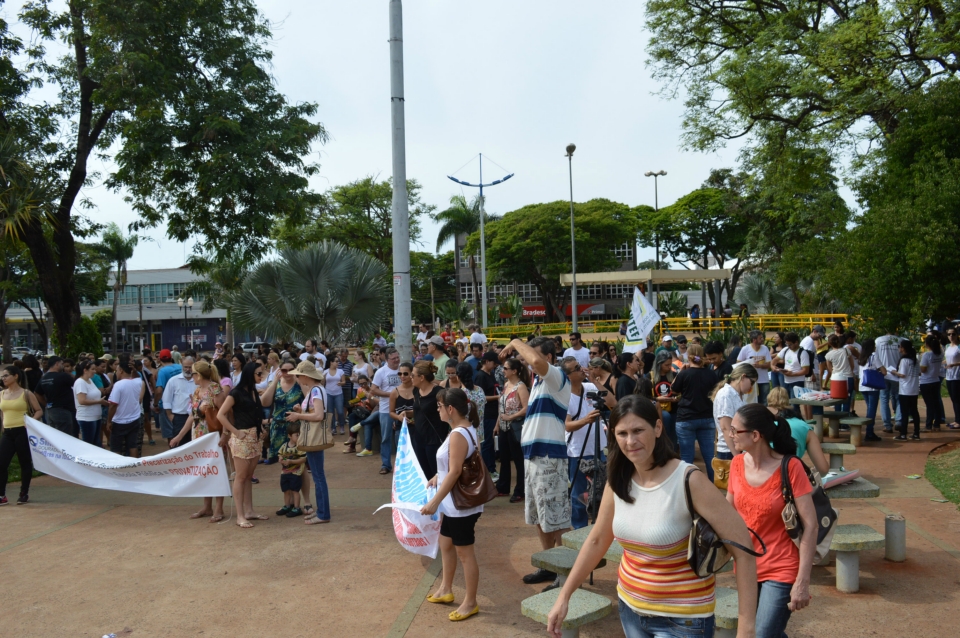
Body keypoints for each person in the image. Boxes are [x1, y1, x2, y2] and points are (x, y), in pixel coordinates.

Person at [547, 394, 759, 638]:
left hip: (683, 619)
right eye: (622, 433)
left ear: (658, 428)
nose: (631, 441)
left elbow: (743, 550)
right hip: (630, 611)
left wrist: (746, 628)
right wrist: (565, 595)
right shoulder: (618, 480)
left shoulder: (689, 480)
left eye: (638, 430)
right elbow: (597, 540)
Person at [727, 403, 817, 637]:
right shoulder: (736, 464)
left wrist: (802, 581)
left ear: (755, 435)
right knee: (759, 632)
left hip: (781, 566)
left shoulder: (790, 467)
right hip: (746, 567)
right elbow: (727, 514)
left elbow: (811, 525)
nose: (730, 435)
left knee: (763, 634)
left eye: (735, 430)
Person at [501, 336, 571, 590]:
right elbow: (532, 362)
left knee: (557, 519)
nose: (528, 361)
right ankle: (550, 565)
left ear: (549, 357)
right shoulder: (540, 382)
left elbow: (535, 361)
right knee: (541, 517)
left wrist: (515, 341)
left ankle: (564, 574)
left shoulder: (556, 377)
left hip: (548, 457)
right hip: (534, 457)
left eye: (534, 354)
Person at [418, 388, 484, 622]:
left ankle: (471, 602)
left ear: (451, 409)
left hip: (459, 506)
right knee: (446, 544)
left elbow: (455, 471)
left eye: (439, 406)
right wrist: (439, 475)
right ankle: (446, 589)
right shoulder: (465, 429)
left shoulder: (458, 433)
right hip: (454, 503)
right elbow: (457, 464)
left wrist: (434, 501)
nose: (437, 410)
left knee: (465, 553)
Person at [170, 360, 227, 522]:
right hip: (199, 435)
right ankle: (207, 506)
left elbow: (224, 413)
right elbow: (192, 416)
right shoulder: (197, 391)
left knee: (216, 470)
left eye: (193, 373)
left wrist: (225, 434)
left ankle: (218, 508)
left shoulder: (215, 389)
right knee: (203, 471)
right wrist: (180, 436)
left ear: (199, 375)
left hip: (213, 435)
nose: (191, 375)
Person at [218, 361, 268, 528]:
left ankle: (249, 511)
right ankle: (240, 515)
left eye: (262, 373)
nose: (261, 376)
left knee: (248, 475)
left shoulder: (253, 391)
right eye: (258, 373)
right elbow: (221, 414)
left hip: (255, 437)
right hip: (242, 437)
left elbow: (255, 413)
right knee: (240, 476)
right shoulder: (236, 392)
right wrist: (235, 431)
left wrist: (261, 427)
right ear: (250, 374)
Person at [560, 356, 607, 530]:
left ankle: (600, 527)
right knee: (579, 493)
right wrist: (586, 420)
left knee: (602, 489)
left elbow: (612, 402)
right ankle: (579, 528)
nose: (582, 369)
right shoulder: (565, 396)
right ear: (568, 376)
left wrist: (595, 381)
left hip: (597, 448)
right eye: (576, 368)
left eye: (580, 366)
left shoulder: (590, 387)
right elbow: (566, 425)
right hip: (577, 451)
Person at [671, 344, 718, 482]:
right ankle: (715, 485)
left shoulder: (684, 374)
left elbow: (673, 389)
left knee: (687, 457)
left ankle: (687, 485)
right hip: (707, 417)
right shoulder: (711, 374)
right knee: (709, 456)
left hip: (686, 418)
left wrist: (681, 371)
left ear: (689, 356)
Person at [0, 365, 43, 505]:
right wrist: (3, 426)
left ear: (15, 376)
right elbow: (3, 412)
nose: (3, 378)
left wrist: (30, 422)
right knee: (2, 463)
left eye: (6, 375)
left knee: (24, 462)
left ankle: (24, 493)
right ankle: (2, 495)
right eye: (2, 376)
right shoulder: (2, 394)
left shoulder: (26, 393)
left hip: (22, 431)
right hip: (7, 433)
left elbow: (39, 410)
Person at [766, 387, 829, 475]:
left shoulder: (759, 424)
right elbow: (823, 469)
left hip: (761, 476)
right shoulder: (804, 426)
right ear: (787, 401)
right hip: (790, 476)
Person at [710, 363, 758, 469]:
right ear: (743, 377)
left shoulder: (738, 395)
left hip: (738, 449)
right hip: (729, 451)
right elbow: (726, 428)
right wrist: (737, 457)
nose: (751, 387)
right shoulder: (726, 394)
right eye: (752, 382)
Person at [495, 358, 529, 502]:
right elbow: (501, 407)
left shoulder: (521, 387)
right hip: (504, 426)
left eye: (506, 368)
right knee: (504, 458)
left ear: (514, 371)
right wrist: (497, 424)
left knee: (518, 460)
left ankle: (520, 490)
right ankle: (503, 487)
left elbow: (526, 408)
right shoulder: (506, 384)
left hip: (515, 427)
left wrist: (511, 417)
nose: (503, 371)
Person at [260, 359, 304, 463]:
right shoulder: (276, 383)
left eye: (291, 370)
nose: (287, 373)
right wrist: (275, 381)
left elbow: (309, 399)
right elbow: (264, 402)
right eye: (284, 370)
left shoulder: (300, 383)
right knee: (279, 459)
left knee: (297, 457)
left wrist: (300, 381)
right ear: (279, 371)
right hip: (278, 427)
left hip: (295, 428)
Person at [411, 360, 447, 479]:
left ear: (422, 377)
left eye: (413, 375)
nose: (411, 378)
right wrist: (406, 414)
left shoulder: (439, 393)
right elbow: (419, 410)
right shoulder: (416, 390)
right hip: (419, 439)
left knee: (437, 474)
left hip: (434, 440)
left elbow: (447, 414)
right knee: (424, 474)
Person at [106, 355, 145, 457]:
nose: (116, 373)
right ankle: (135, 464)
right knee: (133, 446)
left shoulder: (118, 385)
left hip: (120, 421)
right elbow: (138, 378)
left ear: (121, 371)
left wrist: (109, 421)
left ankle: (117, 466)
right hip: (134, 419)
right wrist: (134, 370)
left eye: (117, 370)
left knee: (116, 448)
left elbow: (113, 405)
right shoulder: (138, 382)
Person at [371, 348, 402, 475]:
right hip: (385, 409)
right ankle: (386, 465)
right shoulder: (381, 372)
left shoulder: (403, 369)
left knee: (401, 438)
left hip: (401, 409)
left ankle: (401, 466)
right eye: (393, 358)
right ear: (387, 359)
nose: (396, 360)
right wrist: (391, 395)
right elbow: (373, 389)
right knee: (386, 437)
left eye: (397, 357)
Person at [474, 352, 501, 475]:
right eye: (494, 363)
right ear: (487, 361)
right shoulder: (481, 376)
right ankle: (488, 470)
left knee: (491, 442)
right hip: (486, 413)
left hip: (494, 412)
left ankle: (492, 467)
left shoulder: (491, 374)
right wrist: (497, 397)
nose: (495, 366)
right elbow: (481, 397)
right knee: (487, 443)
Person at [36, 356, 76, 435]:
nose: (63, 366)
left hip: (50, 411)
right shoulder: (63, 376)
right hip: (63, 410)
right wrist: (69, 373)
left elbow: (37, 393)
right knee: (65, 435)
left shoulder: (44, 377)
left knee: (54, 435)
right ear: (57, 363)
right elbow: (76, 384)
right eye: (62, 364)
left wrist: (46, 404)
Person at [891, 340, 921, 440]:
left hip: (905, 389)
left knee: (904, 412)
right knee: (914, 411)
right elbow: (919, 373)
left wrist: (894, 372)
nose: (899, 348)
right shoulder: (915, 360)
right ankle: (916, 433)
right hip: (914, 388)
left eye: (899, 346)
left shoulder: (904, 360)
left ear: (903, 348)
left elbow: (902, 374)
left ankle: (903, 434)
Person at [74, 360, 109, 446]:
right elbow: (82, 401)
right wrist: (99, 401)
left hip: (96, 416)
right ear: (85, 370)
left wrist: (103, 402)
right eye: (92, 369)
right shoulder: (80, 382)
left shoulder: (89, 380)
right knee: (89, 444)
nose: (94, 371)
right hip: (87, 417)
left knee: (96, 442)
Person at [276, 422, 308, 518]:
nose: (299, 437)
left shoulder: (300, 447)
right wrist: (281, 459)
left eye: (300, 435)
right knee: (286, 490)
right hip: (285, 472)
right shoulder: (284, 446)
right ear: (289, 436)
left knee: (295, 490)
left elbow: (303, 459)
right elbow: (280, 454)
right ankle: (287, 505)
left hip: (296, 473)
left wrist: (291, 461)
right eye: (297, 435)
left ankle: (297, 507)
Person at [857, 338, 886, 442]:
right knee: (871, 410)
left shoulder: (861, 357)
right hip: (872, 386)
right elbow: (884, 371)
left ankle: (869, 431)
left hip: (863, 385)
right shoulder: (874, 356)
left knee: (869, 408)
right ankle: (869, 432)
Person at [165, 356, 197, 448]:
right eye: (185, 367)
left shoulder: (198, 381)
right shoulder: (173, 380)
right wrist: (171, 416)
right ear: (181, 366)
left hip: (196, 417)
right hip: (179, 417)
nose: (187, 369)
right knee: (179, 444)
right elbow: (166, 400)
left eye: (190, 367)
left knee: (194, 443)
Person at [650, 351, 678, 447]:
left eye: (670, 364)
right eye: (666, 365)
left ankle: (673, 451)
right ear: (659, 364)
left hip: (673, 409)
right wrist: (657, 399)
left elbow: (680, 392)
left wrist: (677, 398)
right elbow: (645, 396)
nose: (669, 367)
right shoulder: (650, 376)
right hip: (658, 410)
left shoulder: (674, 375)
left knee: (673, 435)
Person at [875, 331, 902, 433]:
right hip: (896, 373)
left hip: (883, 373)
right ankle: (899, 421)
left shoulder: (878, 340)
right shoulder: (900, 340)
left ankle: (887, 425)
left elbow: (876, 357)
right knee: (898, 398)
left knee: (884, 399)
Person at [154, 349, 182, 443]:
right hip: (181, 402)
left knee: (170, 433)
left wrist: (155, 404)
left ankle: (173, 450)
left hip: (167, 405)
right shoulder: (180, 367)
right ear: (171, 357)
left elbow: (159, 390)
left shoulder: (162, 371)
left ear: (160, 359)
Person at [737, 330, 772, 404]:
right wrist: (748, 365)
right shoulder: (745, 349)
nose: (762, 339)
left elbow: (769, 364)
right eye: (760, 338)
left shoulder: (765, 348)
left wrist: (760, 366)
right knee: (752, 401)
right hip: (751, 381)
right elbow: (738, 363)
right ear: (754, 340)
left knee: (765, 401)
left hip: (764, 380)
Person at [919, 334, 945, 432]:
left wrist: (918, 366)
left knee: (929, 404)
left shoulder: (927, 355)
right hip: (936, 380)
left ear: (927, 344)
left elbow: (923, 369)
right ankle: (937, 424)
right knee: (936, 403)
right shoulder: (940, 354)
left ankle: (928, 425)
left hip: (926, 381)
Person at [823, 335, 854, 412]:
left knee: (836, 399)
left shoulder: (828, 354)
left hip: (836, 378)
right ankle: (846, 417)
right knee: (847, 399)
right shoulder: (846, 350)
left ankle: (837, 416)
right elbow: (852, 365)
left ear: (829, 343)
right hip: (848, 376)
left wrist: (835, 373)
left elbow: (830, 368)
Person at [325, 355, 346, 435]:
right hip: (328, 393)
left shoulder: (340, 371)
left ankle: (341, 426)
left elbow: (344, 382)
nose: (338, 363)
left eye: (338, 361)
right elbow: (322, 383)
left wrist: (341, 383)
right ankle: (333, 428)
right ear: (331, 362)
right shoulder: (325, 371)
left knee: (340, 411)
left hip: (338, 393)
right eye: (336, 361)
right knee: (331, 412)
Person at [946, 329, 960, 429]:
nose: (951, 336)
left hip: (957, 375)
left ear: (957, 335)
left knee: (957, 398)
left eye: (953, 334)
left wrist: (954, 364)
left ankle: (959, 421)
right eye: (949, 334)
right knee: (953, 398)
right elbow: (946, 359)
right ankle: (956, 419)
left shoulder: (958, 347)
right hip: (949, 376)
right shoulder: (947, 346)